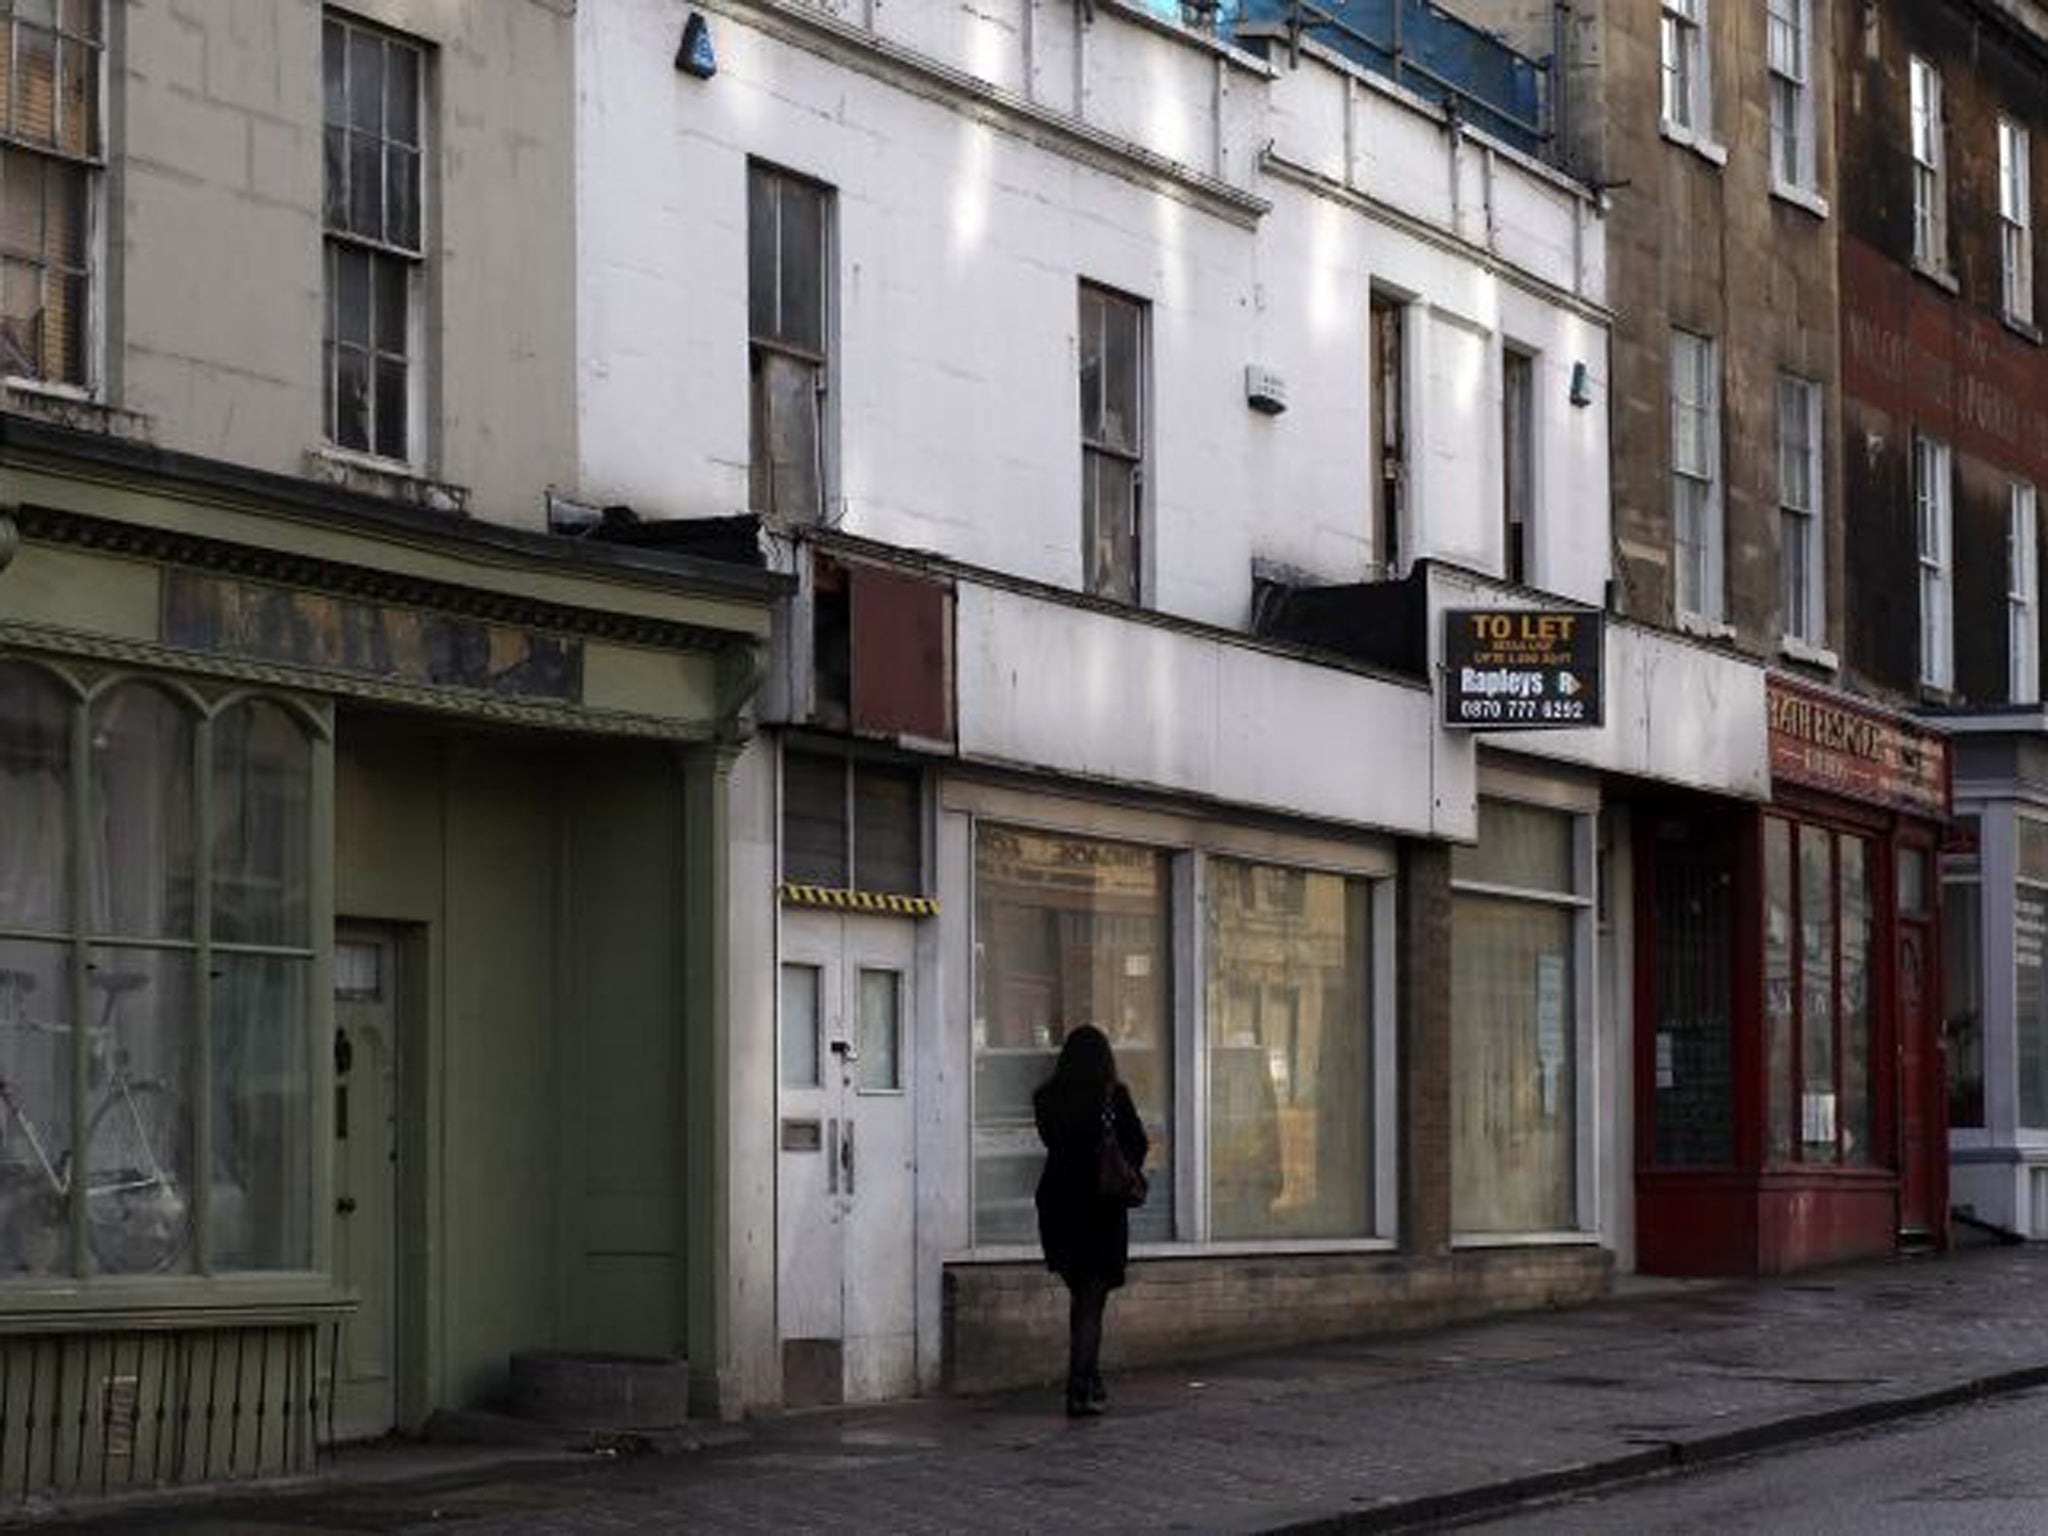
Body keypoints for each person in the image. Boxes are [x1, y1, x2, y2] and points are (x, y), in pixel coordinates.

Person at [1033, 1023, 1148, 1418]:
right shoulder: (1112, 1097)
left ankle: (1089, 1378)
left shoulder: (1047, 1098)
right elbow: (1138, 1144)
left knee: (1081, 1298)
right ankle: (1081, 1386)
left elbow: (1052, 1142)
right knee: (1091, 1301)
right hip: (1099, 1208)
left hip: (1059, 1206)